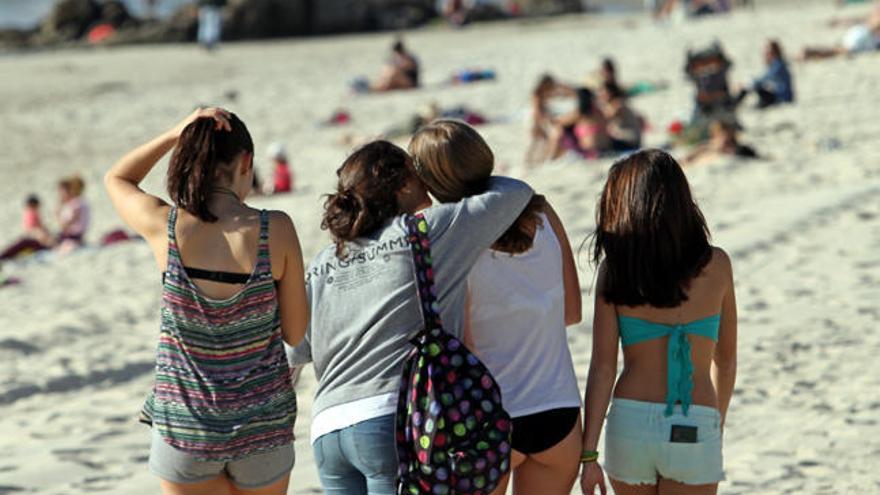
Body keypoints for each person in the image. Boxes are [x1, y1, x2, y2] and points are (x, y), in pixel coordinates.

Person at [288, 137, 533, 495]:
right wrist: (444, 172)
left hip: (327, 426)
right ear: (403, 184)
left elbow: (297, 348)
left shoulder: (325, 261)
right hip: (394, 418)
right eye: (419, 177)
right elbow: (515, 192)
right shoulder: (428, 231)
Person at [104, 107, 309, 495]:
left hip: (186, 426)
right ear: (245, 162)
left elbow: (117, 177)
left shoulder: (165, 226)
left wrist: (173, 133)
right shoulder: (275, 229)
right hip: (262, 426)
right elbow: (295, 332)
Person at [410, 119, 583, 495]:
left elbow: (462, 342)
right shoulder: (543, 213)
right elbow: (572, 312)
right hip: (558, 407)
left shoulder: (448, 239)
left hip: (489, 417)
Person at [580, 149, 737, 495]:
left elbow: (603, 367)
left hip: (629, 424)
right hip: (694, 419)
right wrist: (715, 423)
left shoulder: (614, 270)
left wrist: (588, 454)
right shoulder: (718, 265)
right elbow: (724, 361)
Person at [525, 73, 575, 166]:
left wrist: (561, 85)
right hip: (537, 122)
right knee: (540, 141)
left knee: (538, 143)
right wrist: (546, 122)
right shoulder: (537, 95)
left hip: (540, 120)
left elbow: (569, 93)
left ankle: (537, 161)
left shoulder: (543, 93)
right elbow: (537, 113)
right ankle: (538, 160)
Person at [549, 87, 611, 161]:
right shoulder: (599, 111)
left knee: (558, 131)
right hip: (607, 147)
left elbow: (558, 122)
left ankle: (552, 157)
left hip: (590, 151)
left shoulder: (580, 113)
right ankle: (552, 157)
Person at [801, 6, 880, 60]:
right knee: (840, 51)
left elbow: (868, 21)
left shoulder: (876, 11)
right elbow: (874, 27)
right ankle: (812, 52)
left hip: (861, 30)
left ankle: (812, 52)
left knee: (838, 49)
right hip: (865, 35)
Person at [736, 40, 794, 108]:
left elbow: (764, 79)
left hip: (782, 98)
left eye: (768, 51)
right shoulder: (776, 64)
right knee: (754, 87)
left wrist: (746, 85)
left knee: (753, 86)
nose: (766, 53)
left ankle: (735, 103)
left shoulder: (778, 65)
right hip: (781, 96)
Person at [684, 119, 758, 166]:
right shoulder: (706, 147)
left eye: (726, 134)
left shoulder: (741, 149)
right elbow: (687, 160)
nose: (725, 137)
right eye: (721, 134)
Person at [0, 195, 52, 261]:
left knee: (20, 245)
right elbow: (38, 229)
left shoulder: (32, 213)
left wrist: (44, 238)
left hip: (38, 240)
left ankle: (2, 256)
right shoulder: (32, 213)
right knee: (19, 245)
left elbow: (35, 229)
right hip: (38, 239)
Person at [599, 82, 644, 151]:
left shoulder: (618, 104)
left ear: (611, 93)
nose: (600, 95)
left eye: (603, 92)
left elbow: (604, 118)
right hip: (628, 140)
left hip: (630, 142)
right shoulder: (614, 104)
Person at [56, 175, 91, 253]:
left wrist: (58, 215)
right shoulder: (81, 201)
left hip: (74, 235)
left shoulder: (77, 203)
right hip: (78, 234)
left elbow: (69, 223)